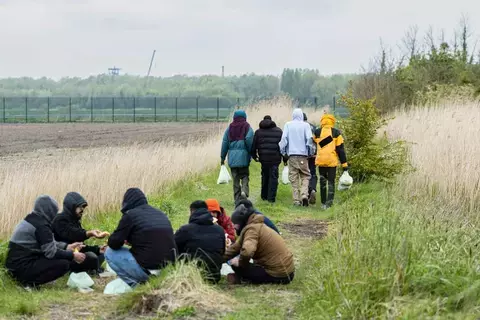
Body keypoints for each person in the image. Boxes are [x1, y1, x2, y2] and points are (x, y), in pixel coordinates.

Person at [5, 195, 90, 287]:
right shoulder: (42, 226)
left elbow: (48, 244)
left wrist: (67, 247)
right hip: (22, 268)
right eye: (54, 211)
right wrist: (73, 255)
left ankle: (27, 280)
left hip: (13, 266)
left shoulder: (31, 219)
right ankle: (28, 283)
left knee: (58, 258)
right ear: (50, 211)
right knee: (64, 264)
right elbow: (51, 252)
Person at [106, 188, 176, 287]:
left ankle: (136, 285)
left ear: (127, 202)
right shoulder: (160, 213)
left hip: (148, 269)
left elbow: (113, 243)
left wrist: (123, 239)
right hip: (168, 269)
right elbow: (151, 238)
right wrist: (132, 240)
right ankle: (153, 279)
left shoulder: (130, 215)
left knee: (109, 252)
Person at [224, 204, 295, 285]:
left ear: (242, 222)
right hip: (288, 272)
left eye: (235, 224)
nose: (234, 227)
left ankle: (243, 279)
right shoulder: (257, 226)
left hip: (278, 275)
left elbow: (247, 252)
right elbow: (235, 248)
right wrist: (219, 259)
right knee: (235, 261)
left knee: (234, 264)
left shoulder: (252, 230)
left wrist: (240, 263)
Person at [53, 192, 109, 274]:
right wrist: (90, 233)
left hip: (76, 253)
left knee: (102, 254)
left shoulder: (75, 221)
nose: (82, 210)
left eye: (83, 207)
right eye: (80, 207)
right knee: (91, 256)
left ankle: (90, 268)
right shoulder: (59, 219)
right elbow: (73, 234)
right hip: (64, 256)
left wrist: (98, 249)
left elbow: (80, 246)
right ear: (71, 207)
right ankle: (89, 268)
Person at [175, 201, 225, 283]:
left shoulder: (185, 229)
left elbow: (173, 247)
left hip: (190, 276)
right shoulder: (219, 230)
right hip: (213, 277)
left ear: (192, 212)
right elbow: (222, 252)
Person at [279, 108, 314, 206]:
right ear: (302, 116)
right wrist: (310, 152)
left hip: (292, 156)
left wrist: (283, 152)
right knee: (305, 176)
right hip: (303, 156)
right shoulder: (306, 125)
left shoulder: (288, 125)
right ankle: (304, 195)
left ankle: (296, 200)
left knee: (293, 178)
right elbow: (309, 140)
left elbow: (284, 139)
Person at [313, 114, 349, 209]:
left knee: (322, 182)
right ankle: (329, 204)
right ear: (332, 121)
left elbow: (314, 143)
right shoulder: (336, 133)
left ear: (322, 121)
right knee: (331, 182)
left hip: (321, 161)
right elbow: (340, 149)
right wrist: (344, 164)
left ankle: (323, 203)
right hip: (332, 161)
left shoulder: (317, 132)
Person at [221, 110, 254, 203]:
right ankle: (244, 191)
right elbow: (249, 139)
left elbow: (224, 143)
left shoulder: (229, 128)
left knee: (235, 179)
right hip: (243, 157)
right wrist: (251, 152)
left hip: (232, 158)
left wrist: (222, 158)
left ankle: (237, 199)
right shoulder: (247, 127)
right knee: (245, 175)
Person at [251, 115, 283, 203]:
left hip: (263, 158)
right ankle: (271, 198)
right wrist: (284, 158)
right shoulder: (279, 131)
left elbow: (253, 146)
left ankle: (264, 196)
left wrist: (255, 156)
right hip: (275, 159)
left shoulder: (258, 132)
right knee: (273, 178)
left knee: (265, 176)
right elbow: (282, 146)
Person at [303, 113, 318, 205]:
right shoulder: (313, 127)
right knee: (312, 172)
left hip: (303, 154)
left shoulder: (299, 127)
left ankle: (306, 193)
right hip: (314, 154)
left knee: (304, 174)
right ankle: (312, 189)